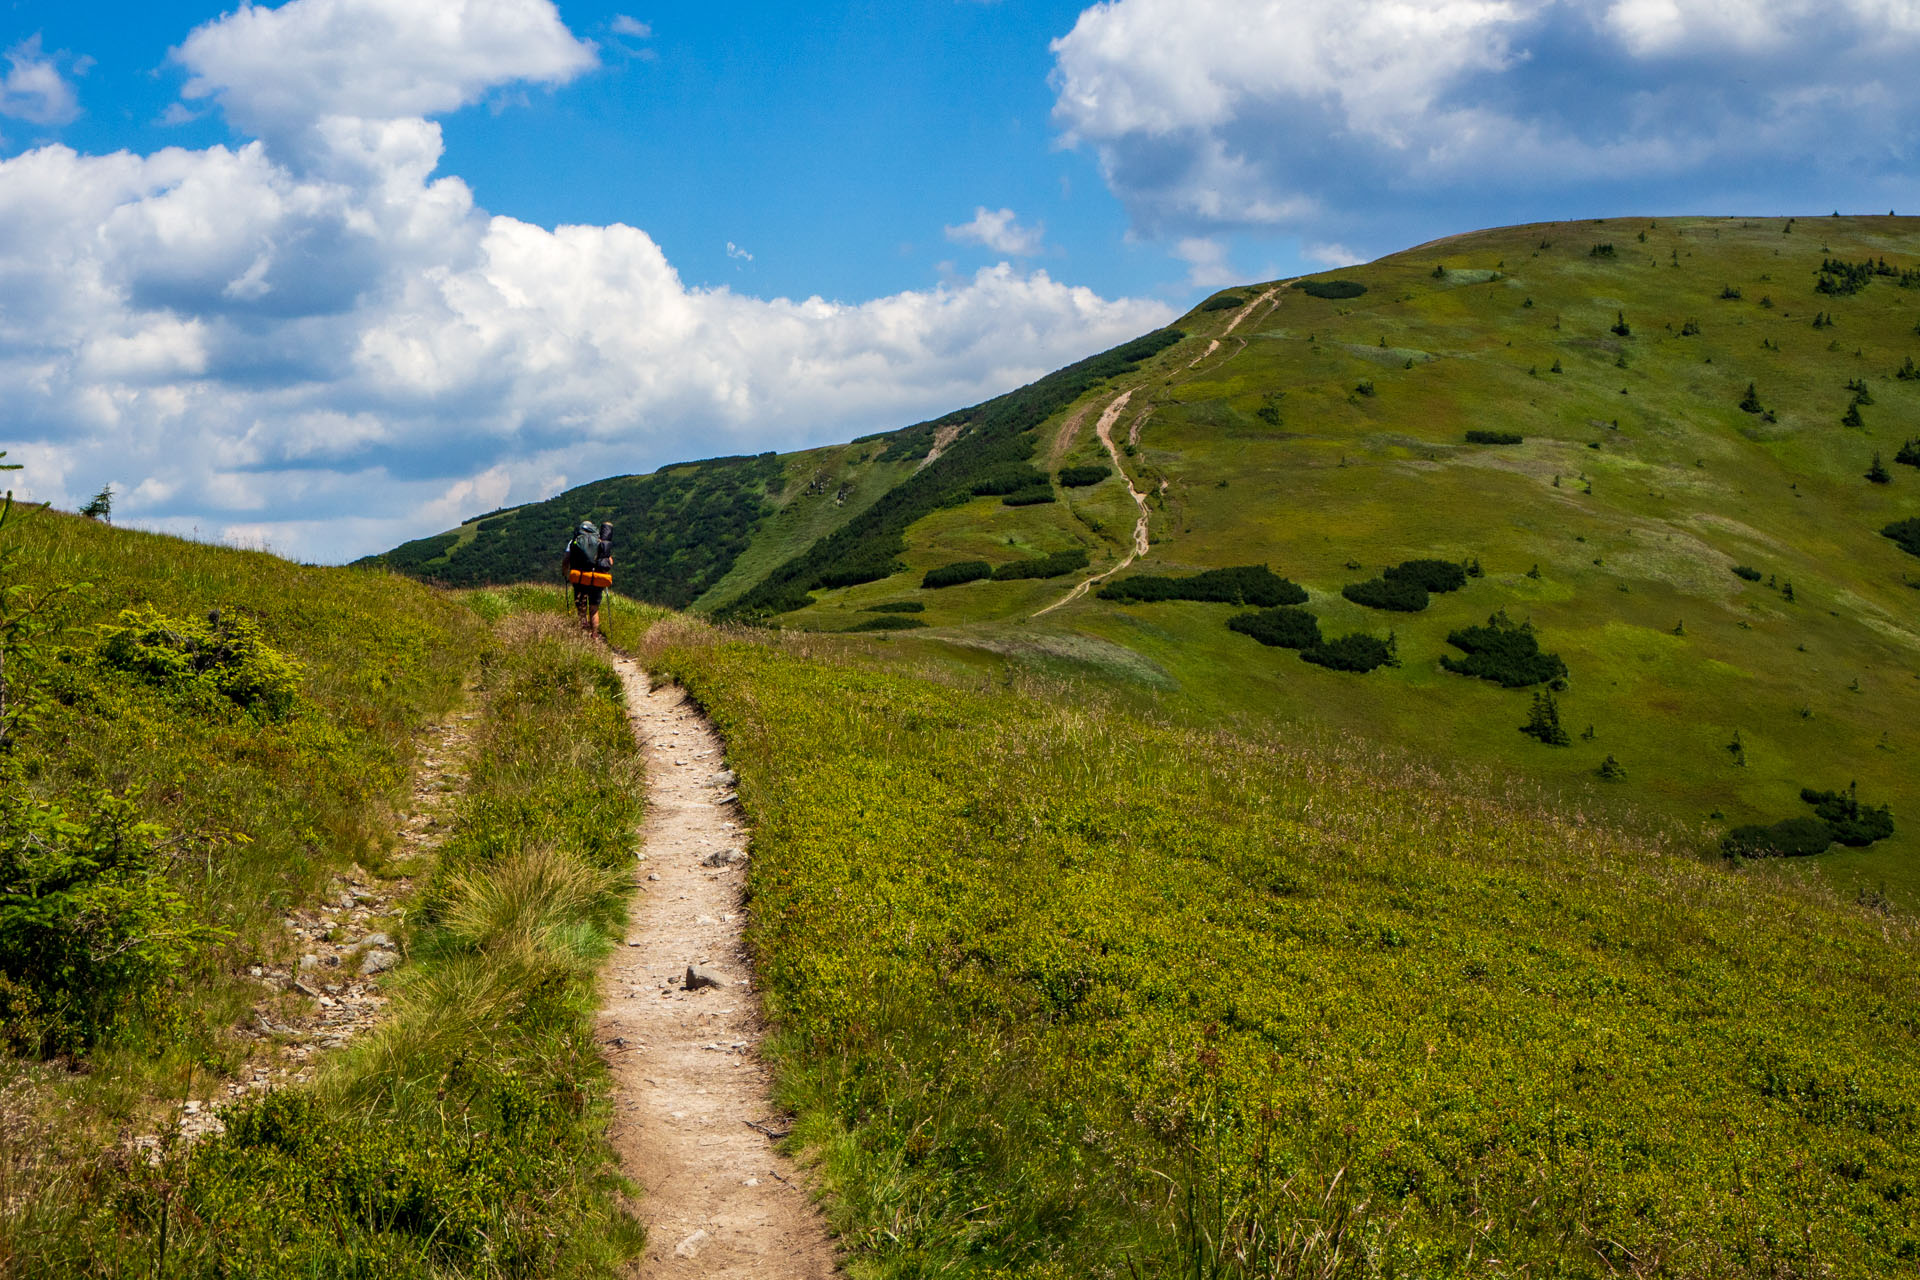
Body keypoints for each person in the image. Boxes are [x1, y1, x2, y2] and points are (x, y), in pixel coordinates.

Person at [563, 519, 613, 635]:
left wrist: (565, 573)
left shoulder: (574, 541)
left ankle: (583, 634)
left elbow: (566, 560)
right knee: (594, 609)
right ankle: (595, 636)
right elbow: (610, 561)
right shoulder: (600, 541)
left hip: (580, 578)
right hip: (596, 578)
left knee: (582, 608)